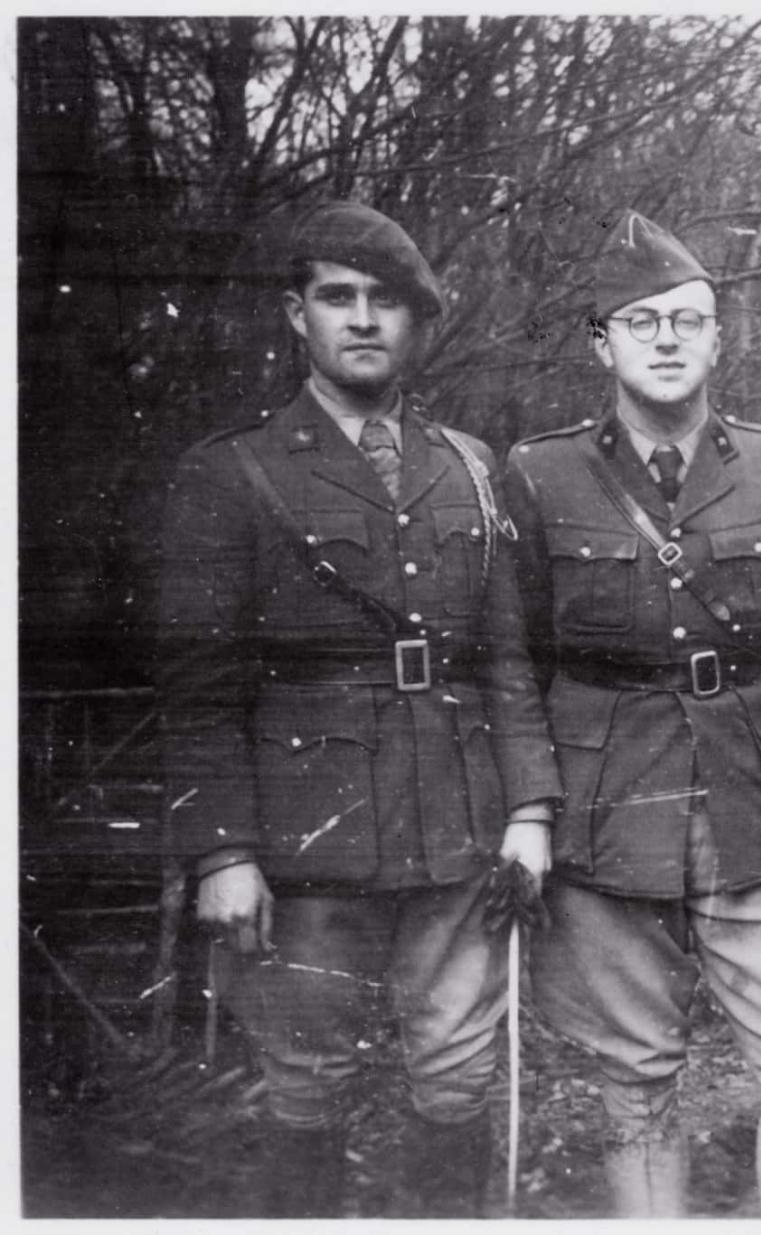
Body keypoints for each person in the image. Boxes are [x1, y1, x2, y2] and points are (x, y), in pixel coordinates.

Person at [156, 200, 561, 1217]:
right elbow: (200, 690)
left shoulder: (468, 465)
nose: (365, 319)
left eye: (388, 301)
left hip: (461, 830)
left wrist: (532, 812)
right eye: (340, 297)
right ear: (298, 315)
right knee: (307, 1081)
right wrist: (222, 853)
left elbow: (508, 658)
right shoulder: (230, 473)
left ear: (417, 323)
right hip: (305, 845)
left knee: (458, 1072)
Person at [502, 211, 761, 1218]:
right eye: (642, 319)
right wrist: (531, 809)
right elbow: (510, 661)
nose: (665, 338)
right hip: (603, 805)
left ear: (717, 338)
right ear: (600, 341)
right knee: (636, 1074)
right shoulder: (539, 472)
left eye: (688, 320)